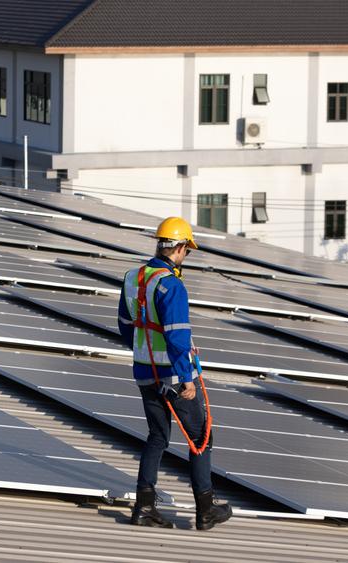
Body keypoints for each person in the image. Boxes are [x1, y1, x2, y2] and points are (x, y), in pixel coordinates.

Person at [118, 217, 231, 530]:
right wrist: (186, 378)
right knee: (201, 438)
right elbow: (177, 335)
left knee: (157, 437)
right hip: (172, 375)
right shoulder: (173, 286)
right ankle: (205, 508)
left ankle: (143, 507)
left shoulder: (132, 278)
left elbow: (126, 328)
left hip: (143, 371)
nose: (186, 256)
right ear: (179, 248)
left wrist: (144, 356)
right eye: (187, 251)